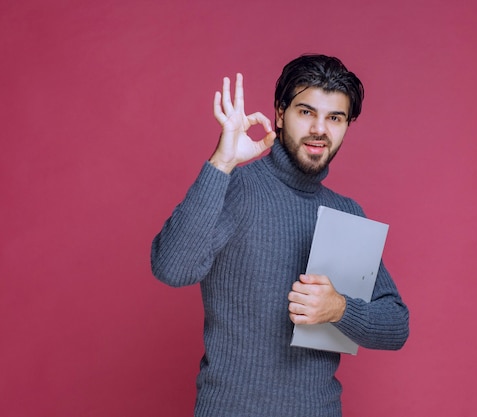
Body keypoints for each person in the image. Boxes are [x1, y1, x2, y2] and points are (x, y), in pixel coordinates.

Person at [151, 54, 409, 417]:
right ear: (279, 113)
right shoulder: (235, 186)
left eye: (334, 117)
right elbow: (171, 268)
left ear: (347, 125)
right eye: (306, 112)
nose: (320, 129)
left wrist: (339, 308)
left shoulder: (346, 213)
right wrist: (222, 162)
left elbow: (396, 325)